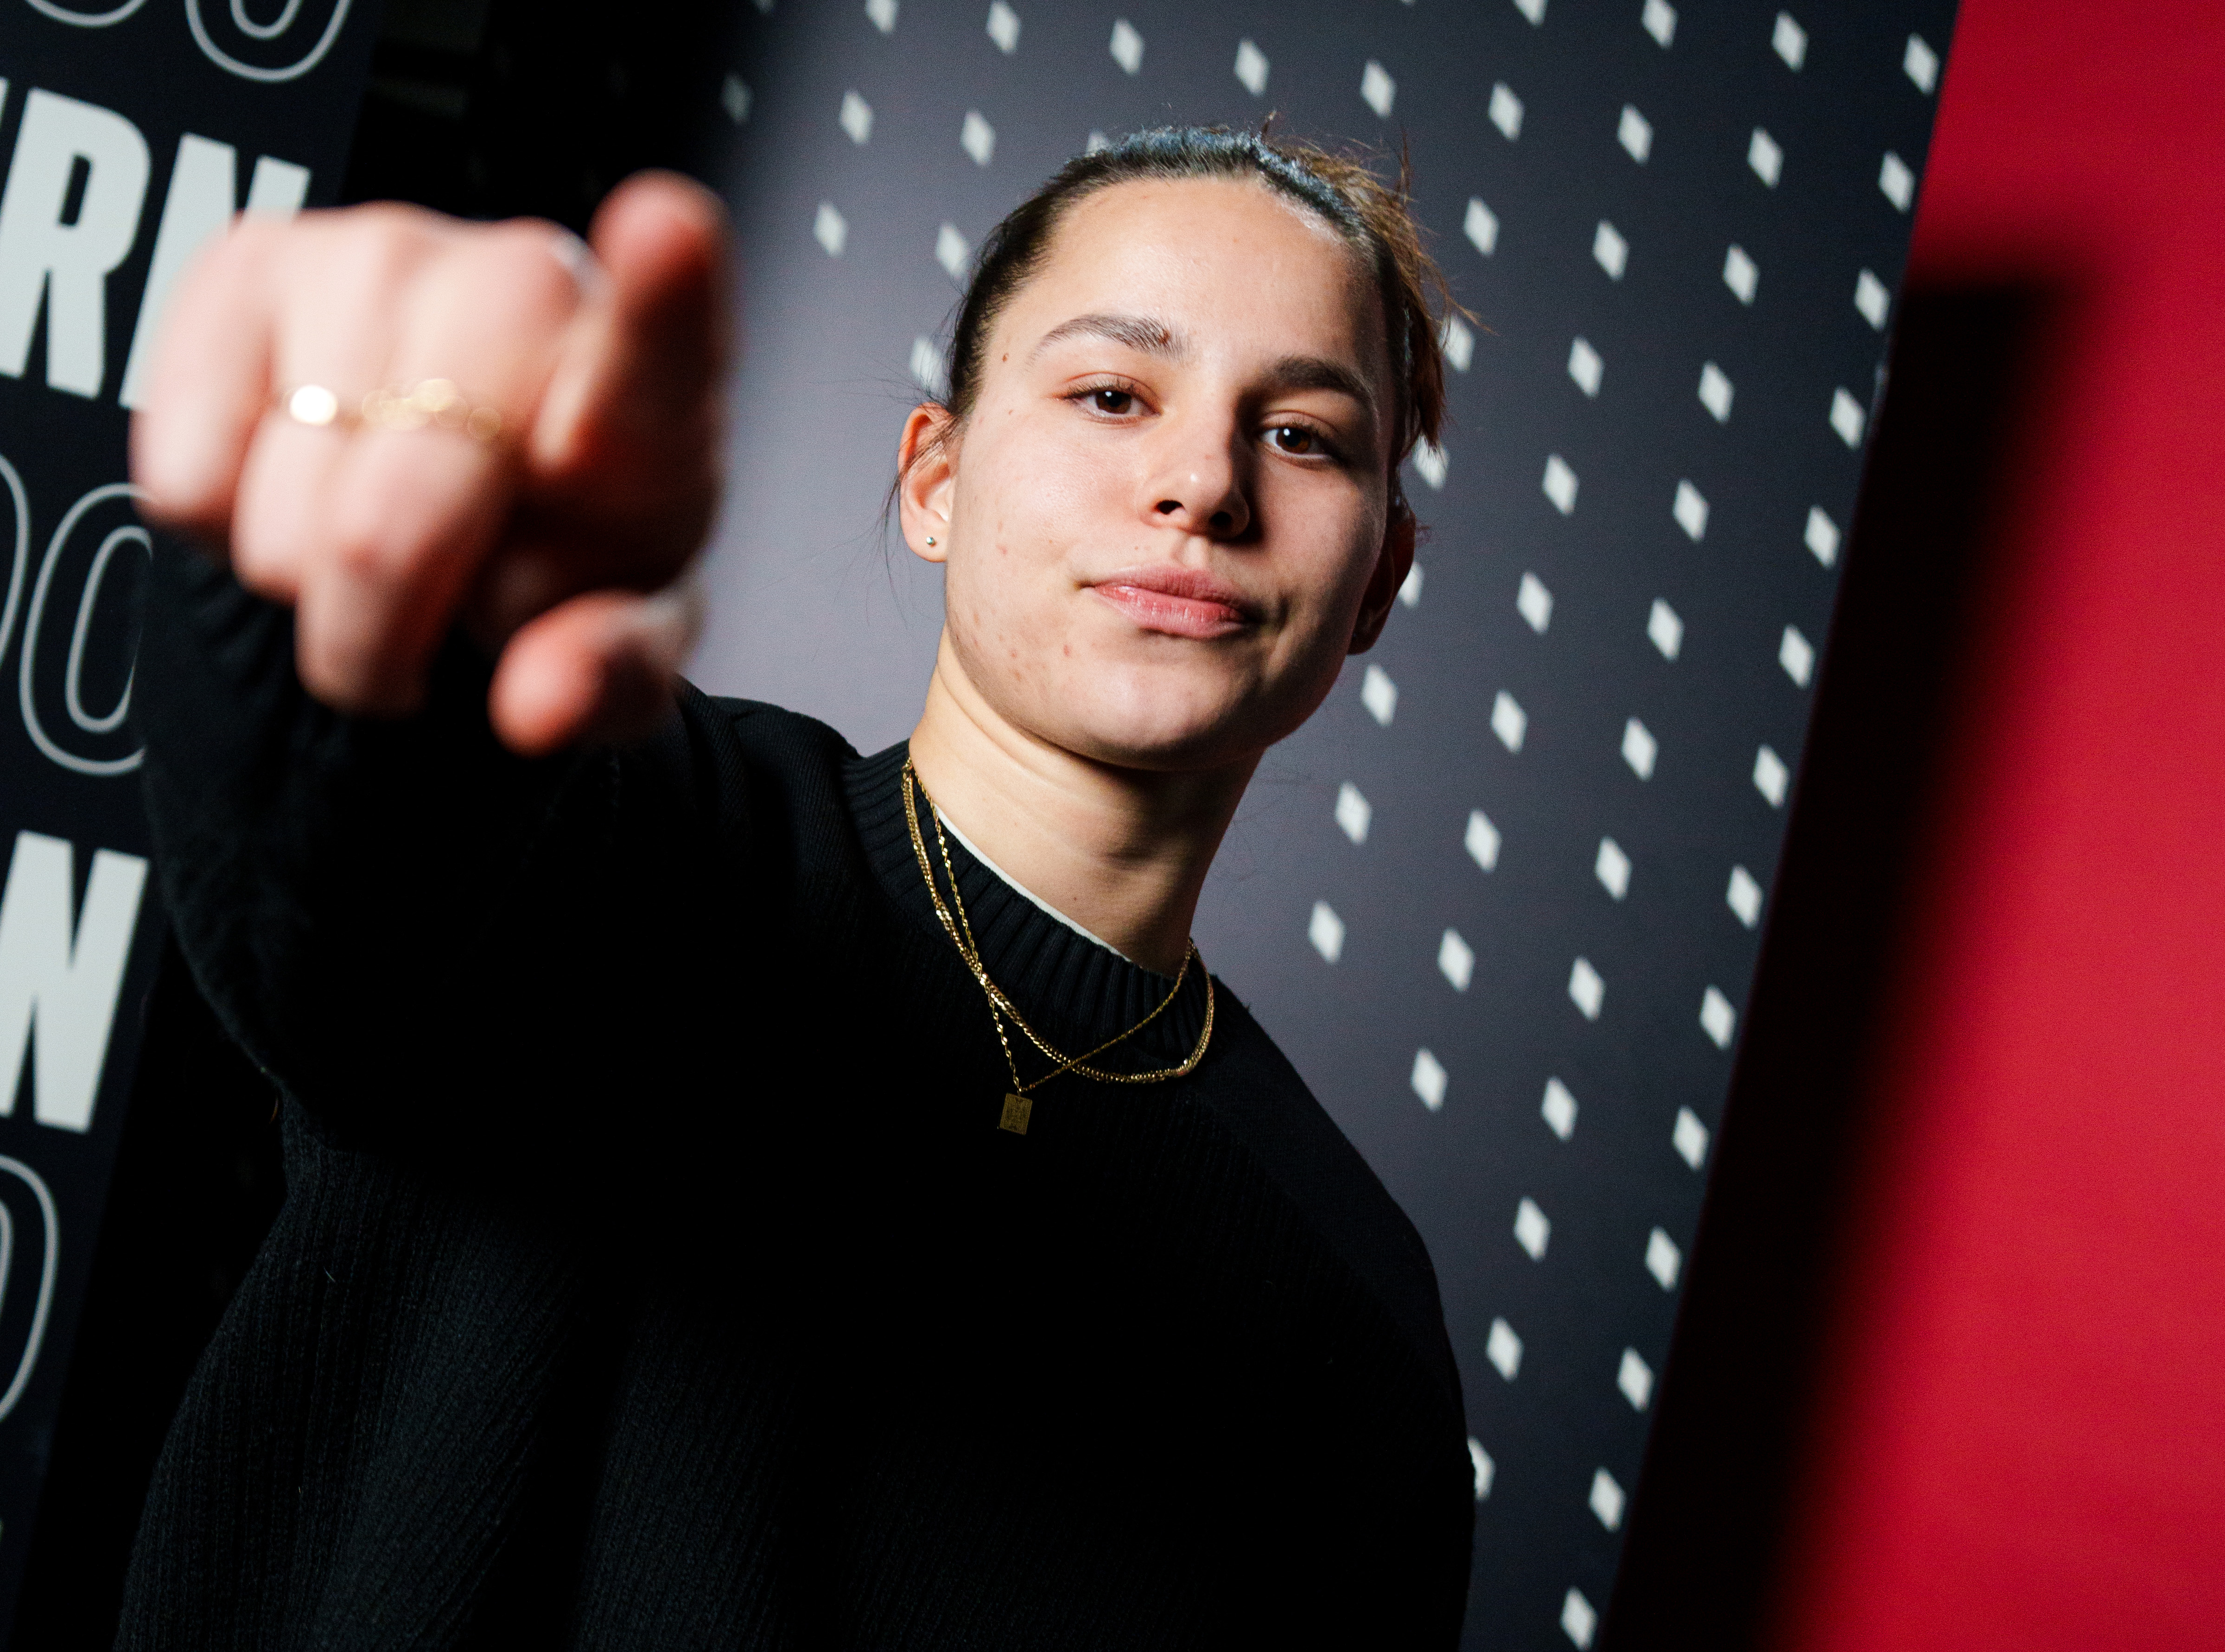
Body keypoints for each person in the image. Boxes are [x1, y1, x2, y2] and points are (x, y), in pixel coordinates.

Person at [115, 126, 1473, 1648]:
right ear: (936, 481)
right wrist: (342, 583)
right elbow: (333, 894)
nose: (1201, 482)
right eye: (1111, 393)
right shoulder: (625, 845)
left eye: (1301, 435)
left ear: (1379, 580)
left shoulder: (1355, 1313)